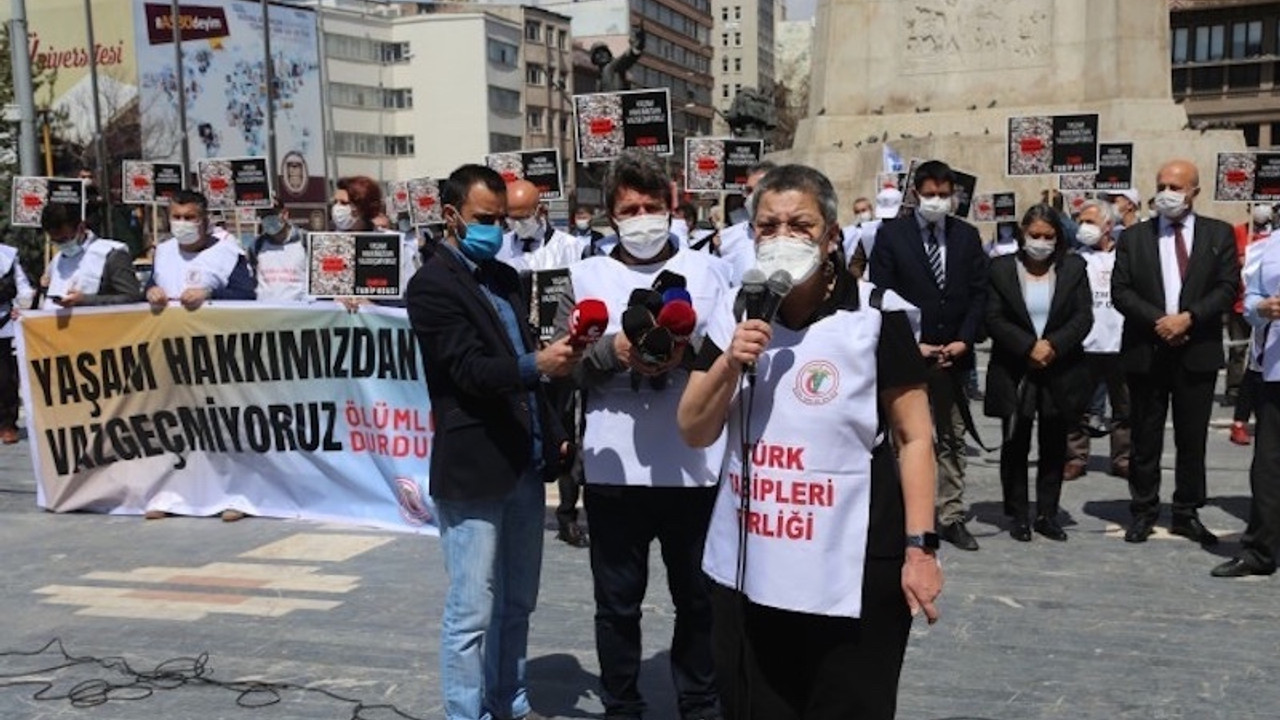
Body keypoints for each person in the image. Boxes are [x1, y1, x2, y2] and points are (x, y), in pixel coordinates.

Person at [677, 163, 942, 719]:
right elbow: (694, 427)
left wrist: (922, 547)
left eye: (799, 225)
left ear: (831, 237)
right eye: (768, 226)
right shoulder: (735, 311)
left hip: (853, 564)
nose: (782, 239)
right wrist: (730, 361)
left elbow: (914, 437)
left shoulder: (876, 315)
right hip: (753, 563)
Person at [555, 149, 732, 720]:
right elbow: (562, 366)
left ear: (672, 206)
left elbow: (732, 356)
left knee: (698, 598)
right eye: (629, 209)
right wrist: (614, 351)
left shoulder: (712, 272)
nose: (642, 217)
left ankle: (699, 701)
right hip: (614, 470)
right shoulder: (584, 276)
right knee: (617, 603)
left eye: (652, 206)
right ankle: (622, 703)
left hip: (693, 464)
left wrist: (681, 355)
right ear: (609, 215)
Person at [406, 164, 579, 720]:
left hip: (523, 465)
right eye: (485, 219)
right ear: (452, 216)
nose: (495, 229)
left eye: (503, 219)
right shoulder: (431, 285)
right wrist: (537, 364)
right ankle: (467, 712)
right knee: (470, 610)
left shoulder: (505, 278)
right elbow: (469, 371)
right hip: (474, 467)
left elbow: (527, 369)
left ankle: (511, 699)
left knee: (518, 602)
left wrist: (554, 433)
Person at [1111, 159, 1239, 545]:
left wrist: (1188, 319)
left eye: (1176, 187)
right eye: (1162, 185)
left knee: (1191, 438)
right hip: (1148, 350)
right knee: (1145, 437)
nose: (1167, 193)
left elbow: (1227, 287)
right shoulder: (1134, 238)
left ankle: (1186, 510)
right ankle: (1144, 509)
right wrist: (1160, 322)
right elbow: (1122, 291)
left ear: (1194, 192)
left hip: (1196, 349)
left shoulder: (1218, 234)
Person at [869, 159, 989, 551]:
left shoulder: (967, 237)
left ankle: (950, 514)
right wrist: (909, 343)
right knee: (903, 435)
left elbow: (978, 294)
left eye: (944, 194)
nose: (937, 201)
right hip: (909, 355)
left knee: (952, 437)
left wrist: (964, 340)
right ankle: (903, 513)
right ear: (916, 194)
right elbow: (881, 295)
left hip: (953, 357)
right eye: (930, 194)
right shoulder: (892, 236)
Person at [984, 205, 1093, 542]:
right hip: (1016, 368)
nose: (1041, 242)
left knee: (1053, 443)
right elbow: (994, 317)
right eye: (1035, 235)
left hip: (1059, 368)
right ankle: (1017, 513)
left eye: (1048, 236)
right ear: (1023, 234)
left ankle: (1047, 512)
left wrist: (1053, 346)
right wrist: (1028, 346)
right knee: (1015, 442)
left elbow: (1082, 316)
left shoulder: (1073, 268)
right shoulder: (1001, 269)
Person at [1212, 232, 1280, 577]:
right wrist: (1260, 309)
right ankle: (1260, 551)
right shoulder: (1271, 244)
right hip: (1276, 370)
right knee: (1268, 467)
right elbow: (1252, 296)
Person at [1063, 199, 1131, 481]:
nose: (1083, 227)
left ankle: (1123, 457)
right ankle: (1076, 456)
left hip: (1120, 343)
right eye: (1080, 221)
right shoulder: (1073, 260)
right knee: (1075, 404)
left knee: (1125, 406)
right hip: (1084, 343)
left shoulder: (1125, 257)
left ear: (1108, 226)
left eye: (1090, 222)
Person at [145, 190, 257, 312]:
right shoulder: (162, 251)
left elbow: (246, 295)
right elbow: (151, 286)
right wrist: (151, 291)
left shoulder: (228, 254)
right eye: (176, 217)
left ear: (205, 220)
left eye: (189, 217)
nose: (182, 223)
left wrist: (209, 294)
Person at [39, 203, 142, 310]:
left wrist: (85, 300)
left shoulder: (111, 255)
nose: (61, 245)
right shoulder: (57, 260)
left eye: (64, 239)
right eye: (55, 241)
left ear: (81, 228)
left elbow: (132, 299)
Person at [1227, 204, 1273, 426]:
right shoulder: (1240, 233)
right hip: (1243, 306)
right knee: (1239, 353)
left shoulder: (1272, 238)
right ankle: (1235, 395)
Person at [498, 179, 586, 271]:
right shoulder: (500, 247)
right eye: (512, 218)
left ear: (540, 211)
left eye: (523, 218)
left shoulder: (571, 247)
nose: (517, 224)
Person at [0, 230, 35, 444]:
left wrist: (22, 307)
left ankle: (7, 424)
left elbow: (24, 289)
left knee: (4, 378)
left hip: (3, 324)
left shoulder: (8, 257)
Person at [718, 161, 776, 285]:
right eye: (749, 190)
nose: (752, 197)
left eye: (760, 190)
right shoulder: (726, 239)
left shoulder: (793, 236)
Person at [249, 198, 307, 303]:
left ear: (285, 214)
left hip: (300, 313)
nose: (267, 218)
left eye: (272, 213)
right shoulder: (256, 246)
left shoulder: (304, 241)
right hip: (266, 313)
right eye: (263, 215)